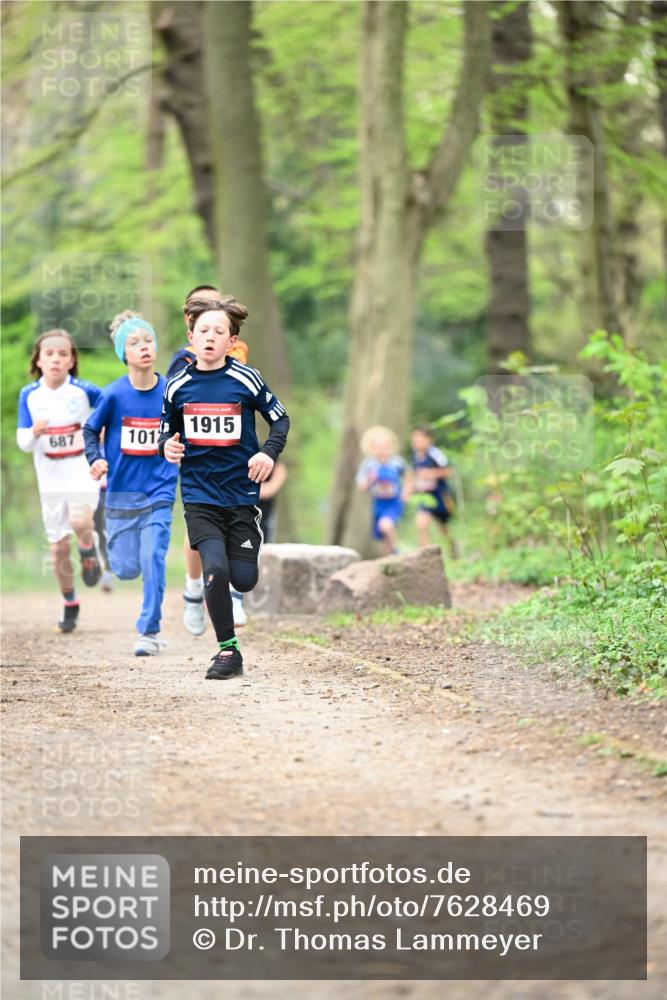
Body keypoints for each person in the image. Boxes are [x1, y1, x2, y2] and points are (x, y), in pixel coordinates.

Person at [159, 297, 290, 680]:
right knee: (213, 568)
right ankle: (228, 651)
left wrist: (268, 454)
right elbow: (167, 428)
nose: (210, 337)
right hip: (200, 494)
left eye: (219, 331)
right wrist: (167, 444)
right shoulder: (177, 385)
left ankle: (241, 571)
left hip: (242, 495)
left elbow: (280, 422)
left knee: (243, 578)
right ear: (191, 337)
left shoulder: (246, 379)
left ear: (232, 341)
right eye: (204, 331)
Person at [83, 311, 179, 655]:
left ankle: (149, 632)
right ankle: (111, 558)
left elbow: (187, 431)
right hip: (121, 494)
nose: (144, 347)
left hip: (159, 489)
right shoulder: (112, 395)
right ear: (124, 353)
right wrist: (96, 459)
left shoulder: (171, 392)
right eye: (135, 343)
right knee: (125, 569)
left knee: (153, 555)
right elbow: (90, 431)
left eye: (148, 340)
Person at [167, 284, 250, 636]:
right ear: (190, 320)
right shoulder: (181, 360)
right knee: (198, 532)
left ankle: (233, 593)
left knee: (235, 526)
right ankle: (193, 587)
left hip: (232, 457)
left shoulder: (239, 351)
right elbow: (170, 408)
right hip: (196, 458)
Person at [16, 328, 103, 632]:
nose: (55, 359)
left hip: (81, 470)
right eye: (49, 354)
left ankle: (89, 547)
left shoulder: (84, 391)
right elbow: (22, 441)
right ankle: (69, 601)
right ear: (38, 360)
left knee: (80, 521)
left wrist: (102, 430)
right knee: (57, 549)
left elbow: (109, 408)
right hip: (50, 479)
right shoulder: (30, 395)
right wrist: (34, 433)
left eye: (62, 354)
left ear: (71, 361)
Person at [403, 426, 457, 555]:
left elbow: (449, 471)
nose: (417, 443)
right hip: (425, 496)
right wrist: (406, 492)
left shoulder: (435, 454)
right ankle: (424, 556)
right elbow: (412, 475)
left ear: (429, 440)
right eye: (414, 440)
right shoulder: (415, 457)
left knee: (445, 528)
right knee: (421, 524)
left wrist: (431, 474)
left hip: (440, 495)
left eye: (420, 440)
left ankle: (453, 550)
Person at [356, 426, 406, 556]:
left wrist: (406, 492)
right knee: (382, 536)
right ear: (372, 449)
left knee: (386, 525)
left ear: (390, 447)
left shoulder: (397, 463)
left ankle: (396, 551)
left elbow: (410, 476)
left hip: (393, 502)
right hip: (378, 503)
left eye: (384, 446)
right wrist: (369, 479)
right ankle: (387, 561)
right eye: (378, 447)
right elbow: (361, 486)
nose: (381, 450)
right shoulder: (368, 465)